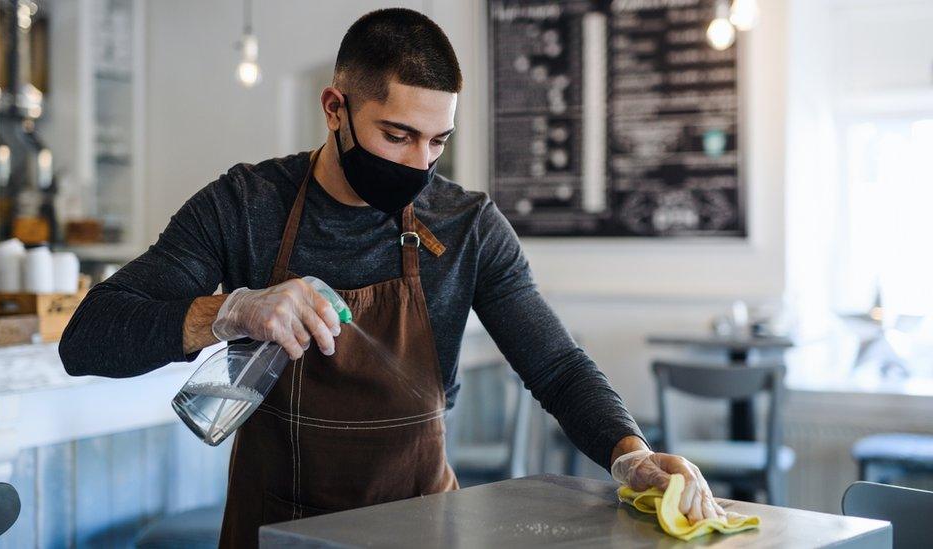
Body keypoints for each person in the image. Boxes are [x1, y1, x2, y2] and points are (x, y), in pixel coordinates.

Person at [60, 8, 724, 548]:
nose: (419, 164)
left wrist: (630, 453)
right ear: (334, 107)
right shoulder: (245, 207)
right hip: (275, 537)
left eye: (438, 142)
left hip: (423, 535)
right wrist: (230, 311)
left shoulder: (466, 226)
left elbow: (555, 365)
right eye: (397, 135)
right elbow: (87, 337)